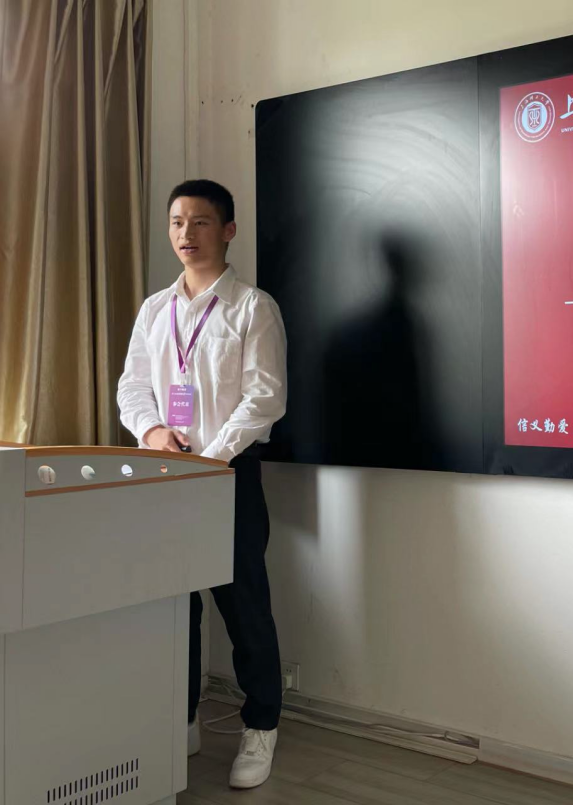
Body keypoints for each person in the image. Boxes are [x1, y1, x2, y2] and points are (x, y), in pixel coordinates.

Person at [116, 179, 287, 789]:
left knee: (244, 608)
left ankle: (261, 727)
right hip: (168, 473)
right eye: (177, 222)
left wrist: (211, 459)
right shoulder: (154, 309)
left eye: (201, 222)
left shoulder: (253, 307)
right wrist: (153, 429)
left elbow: (264, 398)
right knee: (176, 605)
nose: (186, 234)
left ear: (228, 230)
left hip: (227, 474)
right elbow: (132, 385)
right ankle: (182, 718)